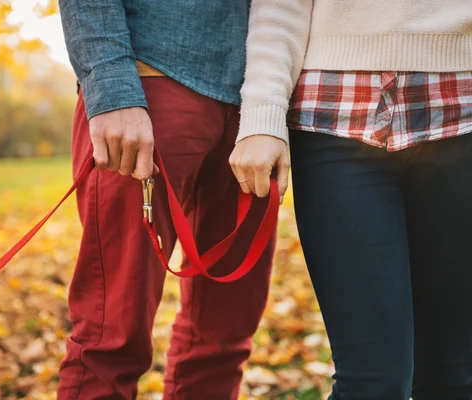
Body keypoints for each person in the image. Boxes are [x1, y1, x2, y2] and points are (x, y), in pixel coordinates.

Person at [232, 0, 472, 399]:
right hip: (334, 119)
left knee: (455, 375)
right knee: (373, 384)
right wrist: (262, 114)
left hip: (461, 113)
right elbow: (280, 7)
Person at [56, 1, 283, 399]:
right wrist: (110, 86)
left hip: (257, 106)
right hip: (150, 81)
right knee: (111, 335)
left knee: (223, 339)